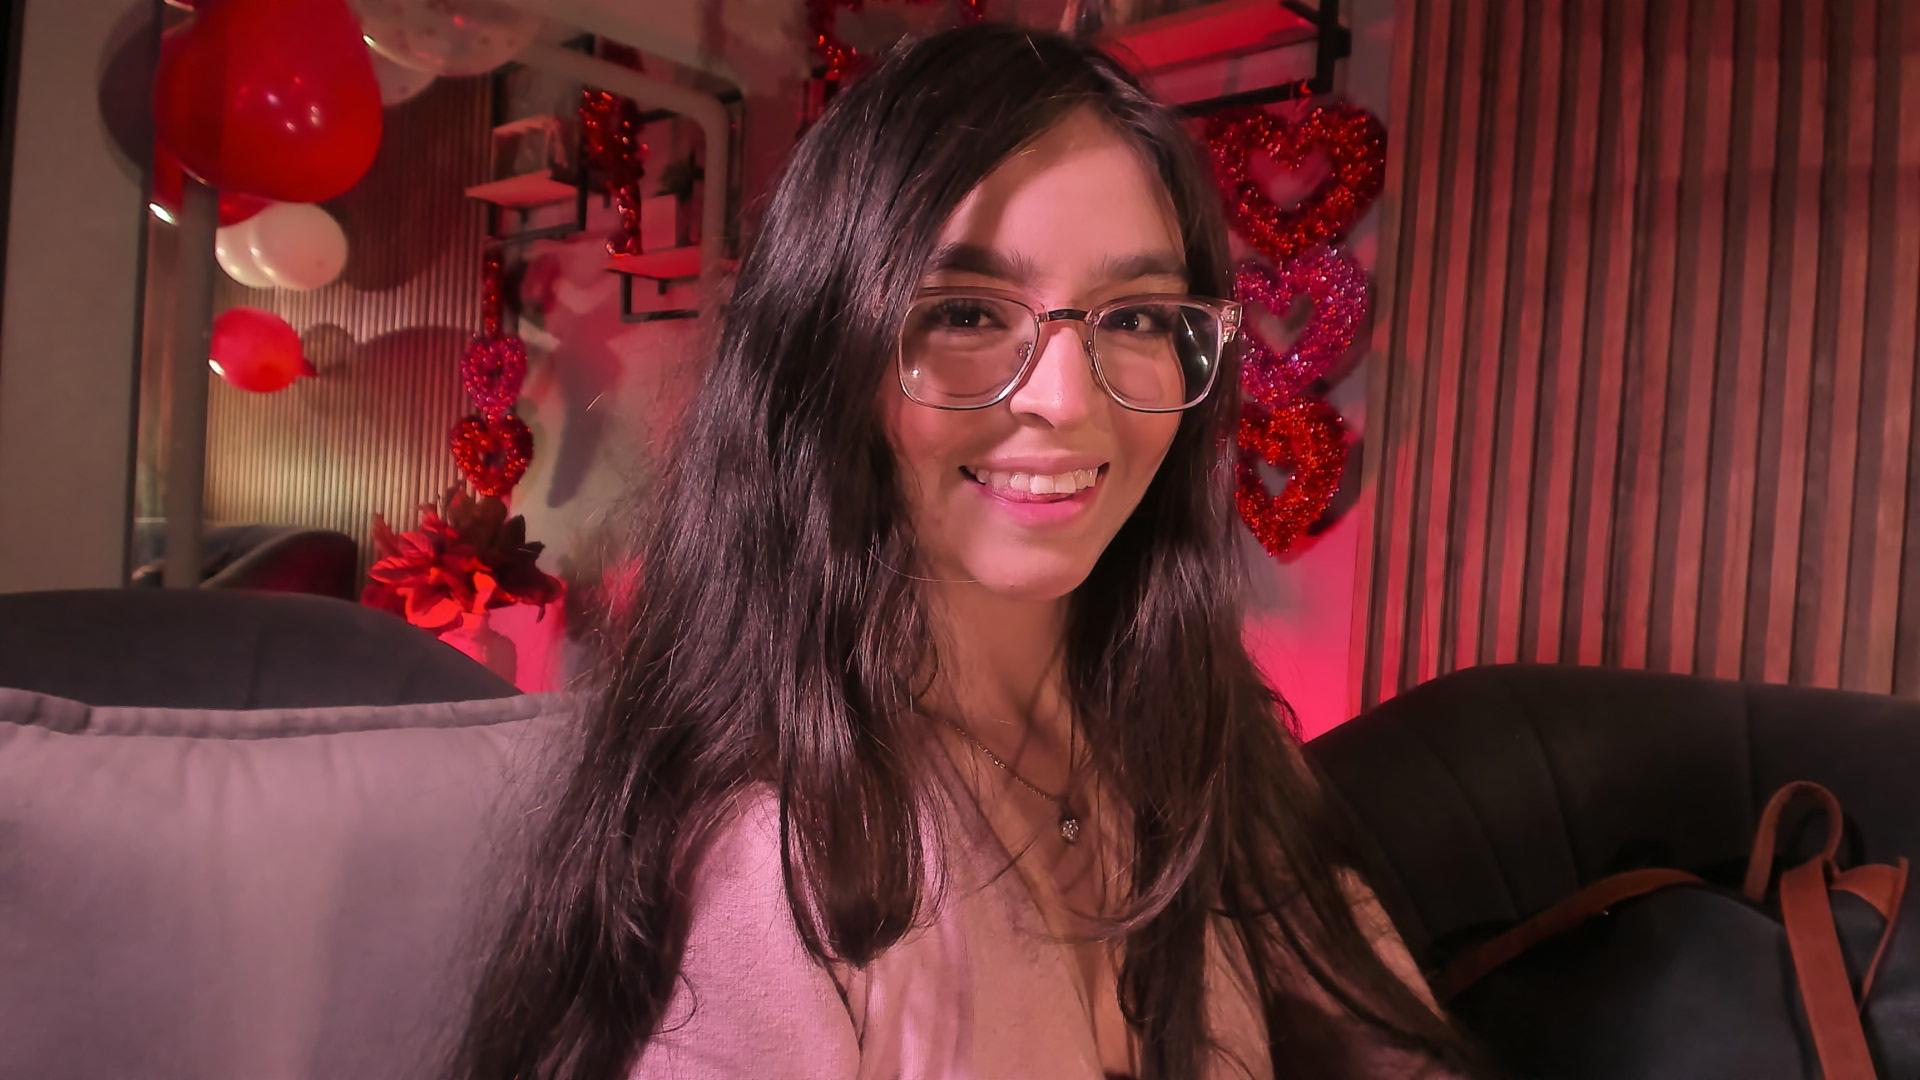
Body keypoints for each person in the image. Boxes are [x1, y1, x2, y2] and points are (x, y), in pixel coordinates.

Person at [452, 22, 1493, 1080]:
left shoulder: (1191, 725)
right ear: (825, 355)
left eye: (1137, 318)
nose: (1067, 400)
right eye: (962, 312)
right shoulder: (787, 862)